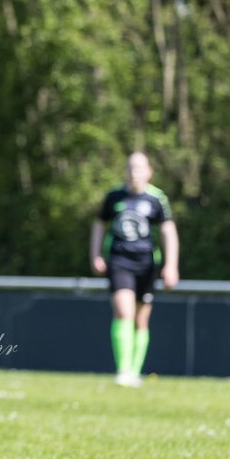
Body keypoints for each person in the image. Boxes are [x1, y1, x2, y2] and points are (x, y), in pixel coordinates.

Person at [90, 151, 180, 387]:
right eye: (130, 167)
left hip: (147, 265)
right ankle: (123, 370)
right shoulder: (114, 196)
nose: (134, 172)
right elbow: (99, 225)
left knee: (140, 320)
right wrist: (96, 254)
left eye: (139, 167)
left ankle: (135, 372)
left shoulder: (156, 199)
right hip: (119, 261)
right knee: (124, 313)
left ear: (149, 171)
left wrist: (171, 265)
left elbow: (168, 232)